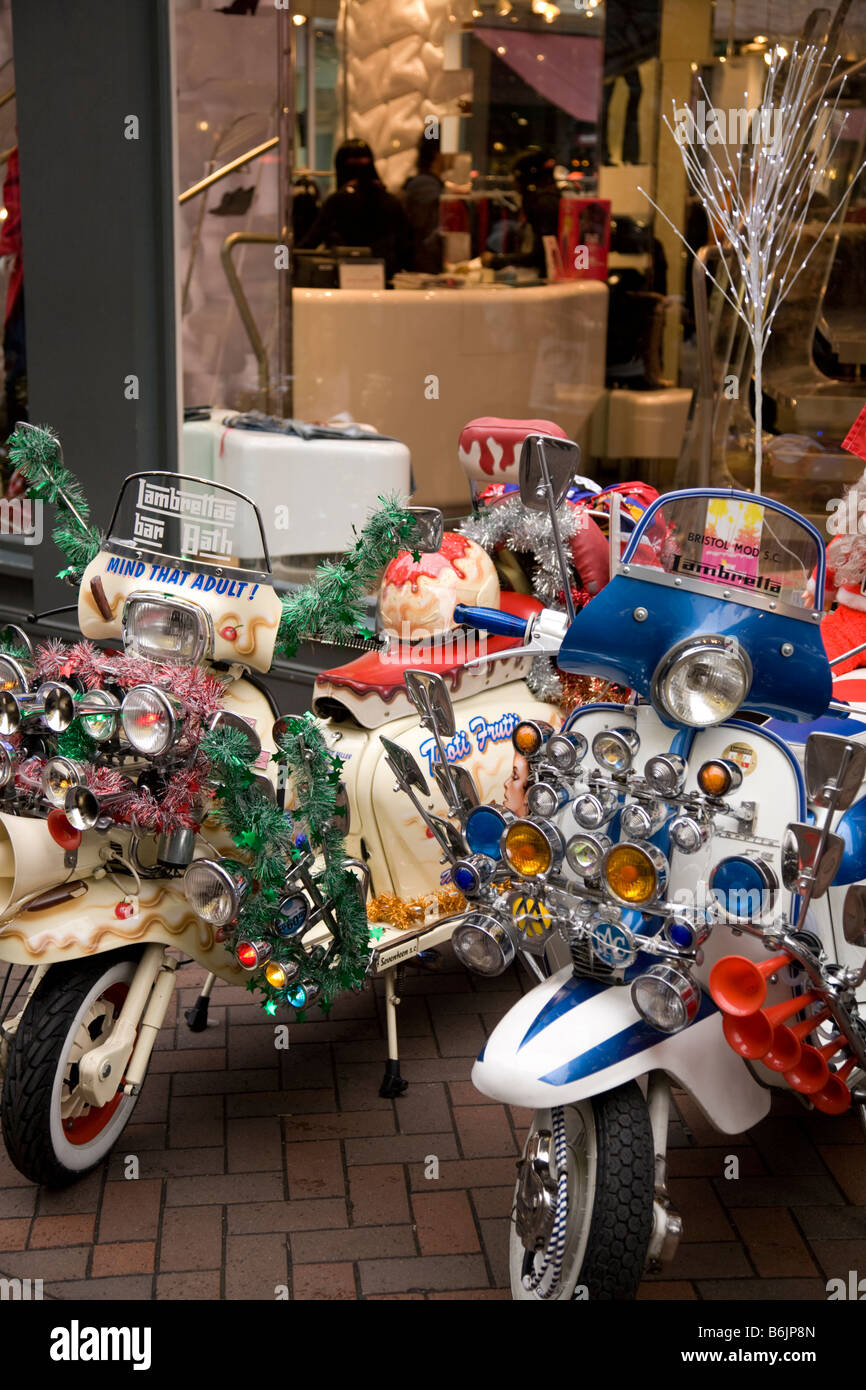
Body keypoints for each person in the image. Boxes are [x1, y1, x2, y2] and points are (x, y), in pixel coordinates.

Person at [298, 139, 409, 284]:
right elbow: (405, 246)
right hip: (385, 279)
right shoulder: (390, 201)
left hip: (344, 280)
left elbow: (311, 242)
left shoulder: (337, 202)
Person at [402, 132, 444, 274]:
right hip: (425, 271)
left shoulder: (427, 183)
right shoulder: (425, 185)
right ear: (438, 154)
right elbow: (427, 235)